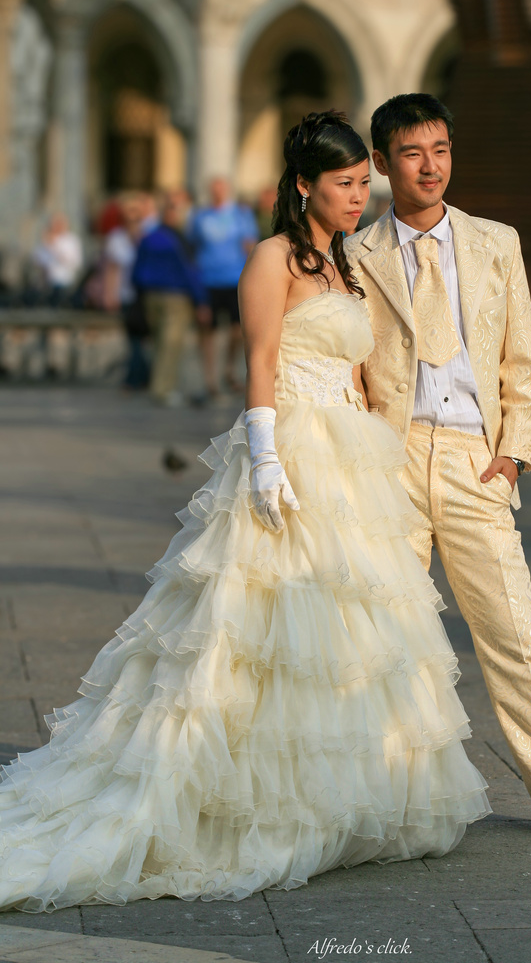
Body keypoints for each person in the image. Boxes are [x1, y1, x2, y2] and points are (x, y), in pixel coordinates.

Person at [0, 111, 490, 912]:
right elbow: (260, 361)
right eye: (344, 184)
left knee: (351, 629)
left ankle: (355, 784)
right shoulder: (273, 259)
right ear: (303, 186)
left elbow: (356, 367)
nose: (359, 196)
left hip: (350, 461)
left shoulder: (343, 263)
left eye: (363, 183)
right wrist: (265, 459)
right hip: (292, 448)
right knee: (261, 625)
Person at [345, 94, 531, 839]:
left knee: (517, 630)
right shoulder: (357, 254)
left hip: (476, 459)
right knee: (392, 635)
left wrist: (511, 456)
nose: (430, 165)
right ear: (382, 164)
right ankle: (392, 792)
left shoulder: (494, 242)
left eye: (441, 148)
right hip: (395, 458)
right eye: (412, 153)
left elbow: (521, 360)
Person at [133, 189, 211, 407]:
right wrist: (201, 300)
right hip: (176, 298)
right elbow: (190, 272)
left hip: (151, 296)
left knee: (160, 344)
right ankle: (163, 389)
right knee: (171, 345)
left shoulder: (149, 237)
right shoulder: (178, 240)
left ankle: (161, 385)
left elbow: (137, 270)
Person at [190, 177, 259, 397]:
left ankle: (229, 368)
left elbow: (250, 245)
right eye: (214, 190)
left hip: (234, 279)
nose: (217, 194)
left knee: (237, 330)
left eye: (221, 189)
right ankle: (210, 379)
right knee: (206, 330)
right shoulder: (200, 216)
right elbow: (191, 246)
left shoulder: (241, 215)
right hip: (207, 280)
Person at [102, 193, 151, 390]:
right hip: (127, 294)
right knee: (133, 339)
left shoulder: (148, 235)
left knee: (144, 339)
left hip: (146, 294)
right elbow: (112, 269)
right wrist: (110, 294)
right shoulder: (116, 238)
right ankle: (135, 378)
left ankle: (141, 376)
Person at [32, 214, 83, 307]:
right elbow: (37, 260)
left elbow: (75, 262)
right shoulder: (46, 240)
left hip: (64, 281)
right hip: (45, 282)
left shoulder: (71, 240)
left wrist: (54, 246)